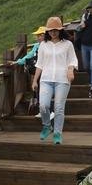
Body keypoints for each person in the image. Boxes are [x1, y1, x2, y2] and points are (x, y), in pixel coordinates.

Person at [32, 17, 78, 145]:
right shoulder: (43, 45)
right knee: (43, 105)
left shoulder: (67, 44)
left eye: (56, 30)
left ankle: (58, 133)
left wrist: (70, 70)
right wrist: (35, 80)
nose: (53, 32)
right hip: (46, 79)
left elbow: (72, 60)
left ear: (60, 30)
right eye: (51, 30)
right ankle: (47, 125)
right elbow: (39, 65)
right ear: (47, 31)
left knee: (58, 108)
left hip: (62, 80)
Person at [8, 26, 54, 119]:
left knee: (46, 92)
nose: (37, 37)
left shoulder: (51, 45)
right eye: (37, 35)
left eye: (39, 35)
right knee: (39, 90)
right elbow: (29, 56)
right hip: (38, 71)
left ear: (45, 35)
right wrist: (18, 62)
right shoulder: (37, 46)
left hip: (48, 72)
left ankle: (50, 111)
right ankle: (43, 111)